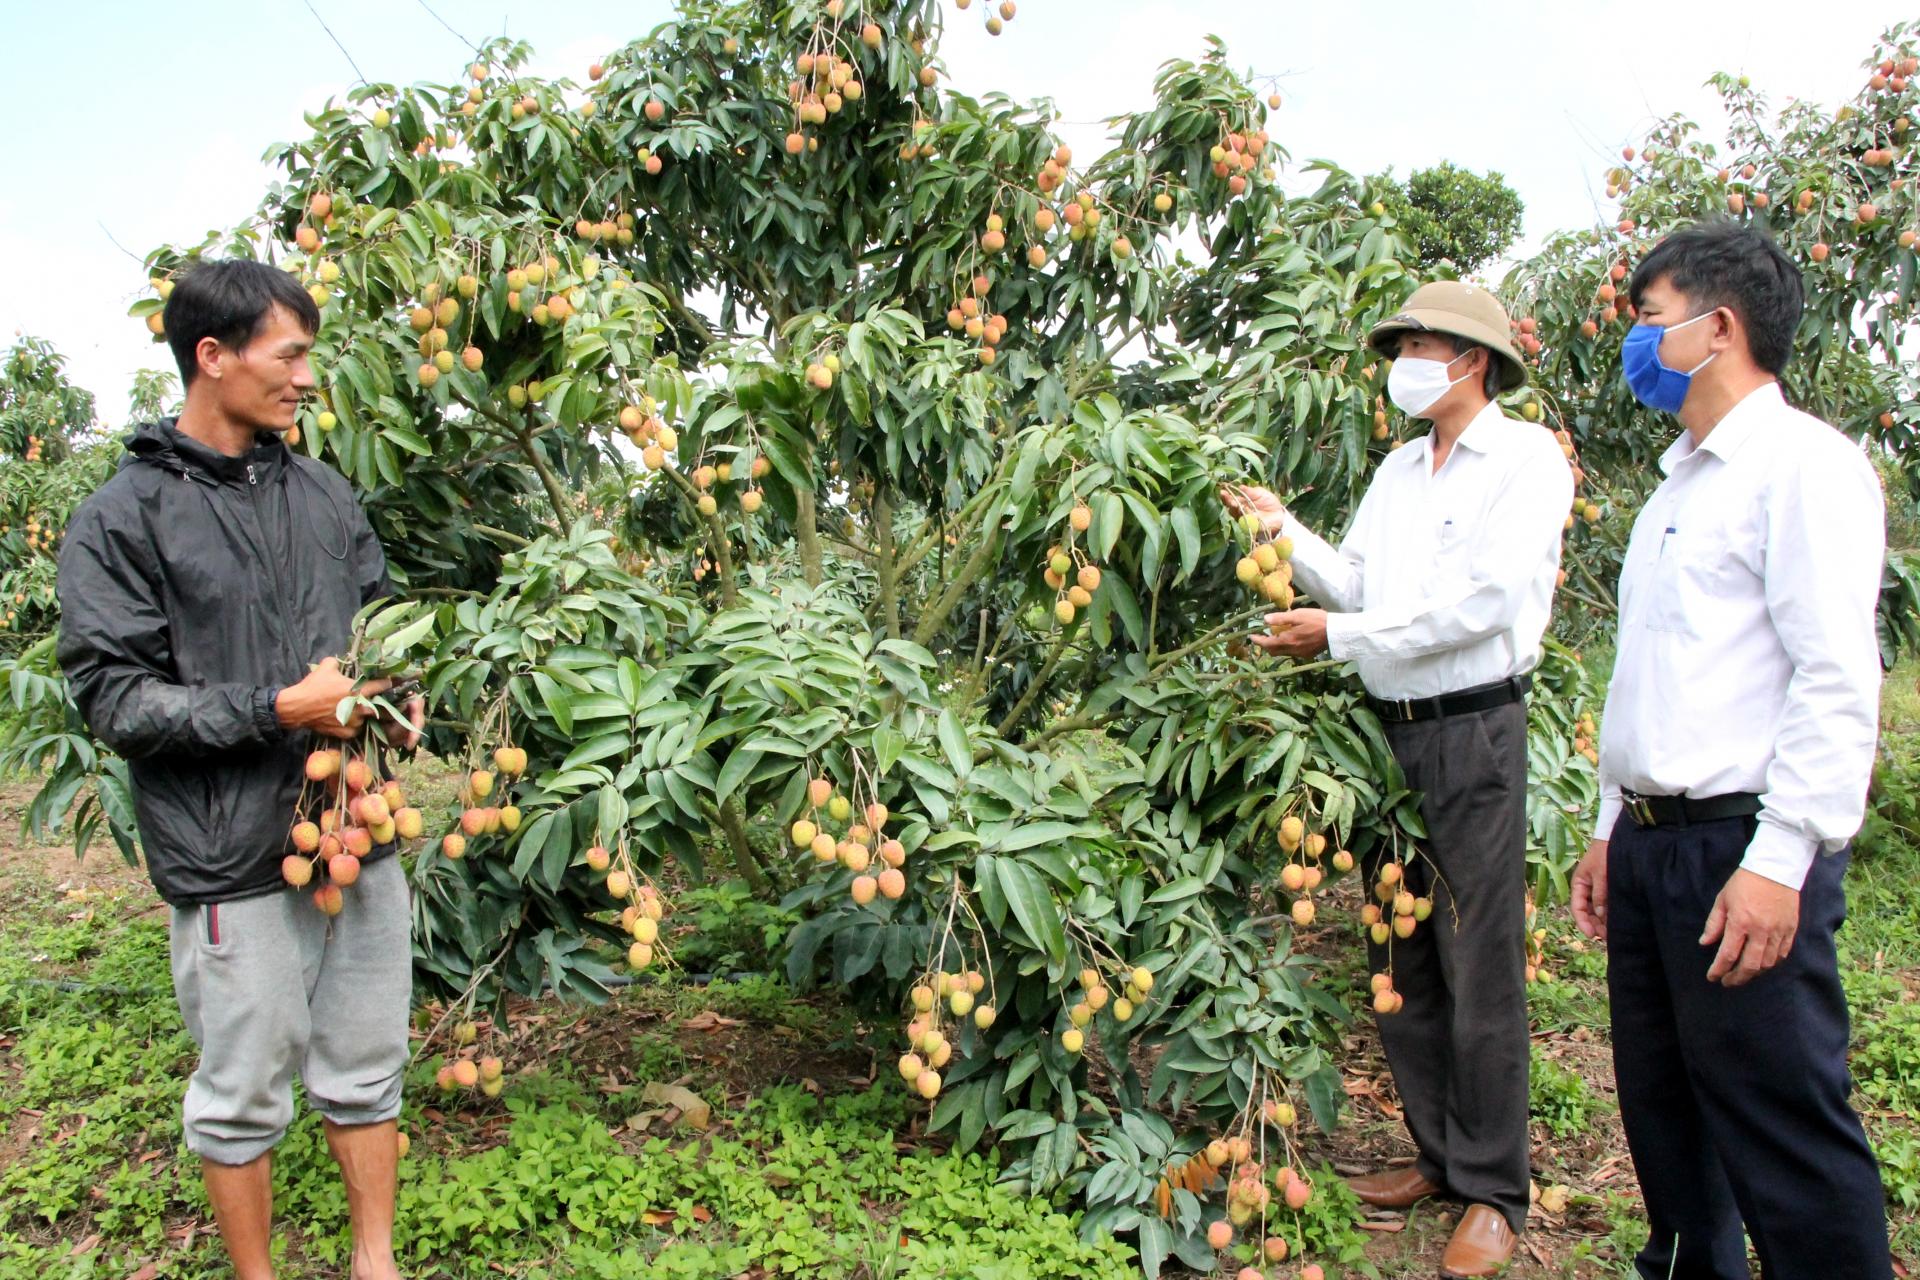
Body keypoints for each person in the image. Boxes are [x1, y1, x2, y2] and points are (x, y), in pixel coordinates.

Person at [56, 259, 425, 1280]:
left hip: (355, 833)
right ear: (213, 357)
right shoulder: (123, 517)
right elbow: (115, 697)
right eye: (291, 352)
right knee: (244, 1086)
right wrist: (273, 709)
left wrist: (400, 695)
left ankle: (374, 1261)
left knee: (366, 1066)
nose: (308, 376)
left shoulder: (324, 493)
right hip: (226, 849)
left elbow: (378, 625)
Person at [1224, 280, 1573, 1278]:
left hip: (1472, 733)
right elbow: (1366, 587)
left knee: (1479, 962)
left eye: (1418, 343)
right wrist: (1283, 528)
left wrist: (1339, 634)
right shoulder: (1399, 467)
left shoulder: (1526, 460)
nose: (1403, 361)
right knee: (1400, 956)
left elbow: (1487, 603)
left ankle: (1497, 1190)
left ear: (1469, 359)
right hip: (1384, 741)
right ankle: (1438, 1155)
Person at [1571, 221, 1893, 1280]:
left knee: (1778, 1116)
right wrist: (1613, 827)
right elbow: (1656, 679)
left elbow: (1836, 678)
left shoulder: (1803, 468)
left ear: (1719, 326)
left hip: (1738, 848)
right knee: (1667, 1114)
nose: (1639, 341)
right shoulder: (1676, 489)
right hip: (1659, 846)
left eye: (1651, 317)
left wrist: (1779, 857)